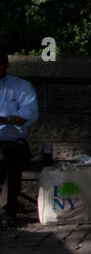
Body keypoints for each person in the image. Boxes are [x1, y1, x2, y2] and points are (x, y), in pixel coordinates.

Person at [0, 50, 40, 228]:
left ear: (6, 65)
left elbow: (29, 115)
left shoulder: (21, 86)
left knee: (10, 158)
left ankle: (9, 211)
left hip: (11, 141)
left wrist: (6, 119)